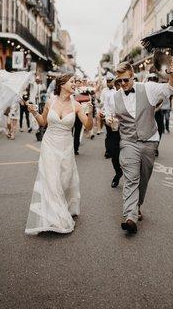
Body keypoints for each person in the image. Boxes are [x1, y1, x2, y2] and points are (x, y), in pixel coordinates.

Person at [113, 60, 173, 234]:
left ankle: (137, 206)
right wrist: (110, 122)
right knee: (131, 178)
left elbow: (171, 89)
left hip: (149, 140)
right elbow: (112, 120)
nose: (122, 84)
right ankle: (130, 217)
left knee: (143, 177)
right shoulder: (115, 96)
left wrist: (172, 74)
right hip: (128, 142)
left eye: (125, 80)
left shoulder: (148, 88)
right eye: (119, 81)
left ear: (132, 76)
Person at [25, 73, 93, 235]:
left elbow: (89, 127)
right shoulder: (50, 101)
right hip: (49, 144)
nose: (75, 84)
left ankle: (63, 206)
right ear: (62, 84)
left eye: (75, 81)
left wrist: (89, 112)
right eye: (72, 81)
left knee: (63, 179)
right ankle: (54, 217)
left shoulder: (77, 105)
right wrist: (34, 112)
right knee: (51, 179)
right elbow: (43, 122)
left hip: (66, 146)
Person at [105, 79, 123, 188]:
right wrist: (108, 120)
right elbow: (107, 112)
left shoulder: (133, 95)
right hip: (115, 128)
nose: (122, 85)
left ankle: (134, 179)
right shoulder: (109, 96)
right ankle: (118, 172)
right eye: (119, 84)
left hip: (129, 129)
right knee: (113, 153)